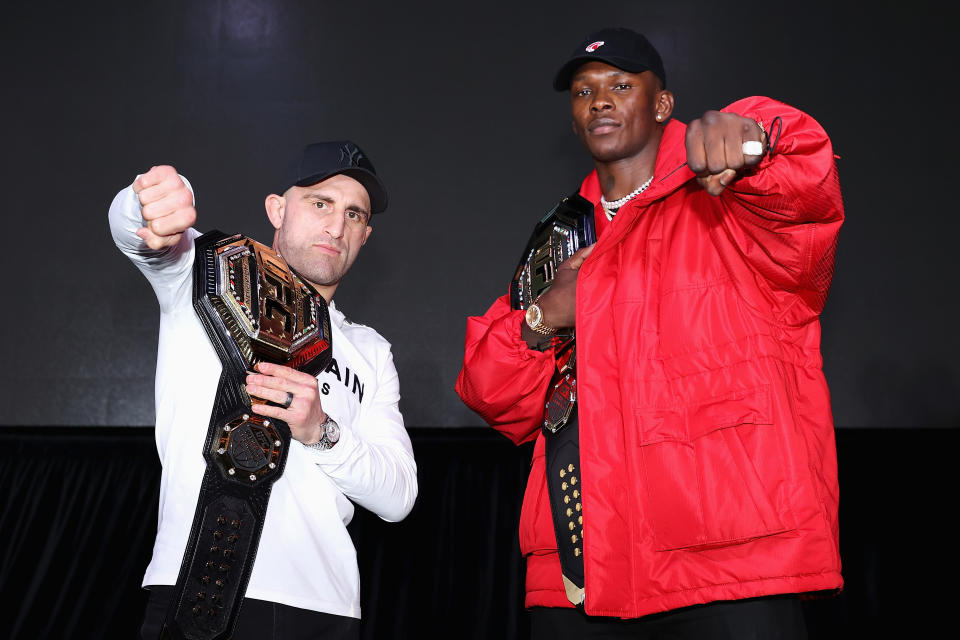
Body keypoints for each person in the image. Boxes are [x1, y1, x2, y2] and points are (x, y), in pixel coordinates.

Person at [456, 27, 843, 638]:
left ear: (662, 105)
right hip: (579, 562)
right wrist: (542, 319)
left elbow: (805, 193)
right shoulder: (559, 241)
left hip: (728, 551)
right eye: (584, 92)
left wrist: (756, 137)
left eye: (621, 84)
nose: (599, 101)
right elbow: (492, 393)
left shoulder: (728, 199)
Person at [109, 140, 418, 640]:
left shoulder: (370, 350)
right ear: (277, 209)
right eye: (320, 203)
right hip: (199, 589)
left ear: (366, 235)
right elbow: (141, 234)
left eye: (354, 215)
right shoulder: (204, 272)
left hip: (329, 609)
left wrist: (321, 431)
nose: (336, 227)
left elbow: (399, 496)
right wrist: (149, 201)